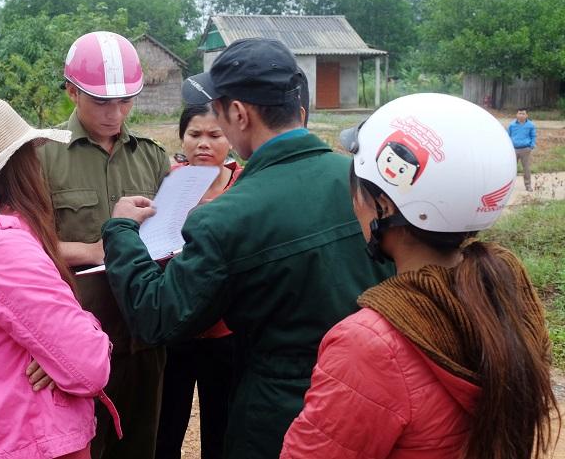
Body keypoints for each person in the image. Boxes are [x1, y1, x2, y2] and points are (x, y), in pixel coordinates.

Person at [101, 38, 391, 459]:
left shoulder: (227, 216)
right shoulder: (363, 179)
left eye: (218, 114)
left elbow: (157, 316)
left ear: (238, 113)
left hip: (278, 415)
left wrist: (122, 231)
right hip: (367, 400)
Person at [280, 94, 559, 459]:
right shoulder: (510, 298)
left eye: (359, 189)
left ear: (384, 206)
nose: (355, 202)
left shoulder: (368, 345)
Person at [0, 99, 117, 459]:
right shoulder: (3, 246)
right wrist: (70, 348)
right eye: (31, 154)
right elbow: (89, 365)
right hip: (40, 443)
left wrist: (58, 355)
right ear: (19, 166)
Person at [38, 30, 171, 459]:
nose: (115, 114)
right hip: (74, 342)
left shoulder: (152, 157)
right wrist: (93, 251)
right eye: (101, 102)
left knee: (140, 447)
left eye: (126, 101)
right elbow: (17, 247)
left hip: (142, 338)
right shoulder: (41, 156)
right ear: (72, 92)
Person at [155, 101, 242, 459]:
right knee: (165, 426)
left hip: (226, 331)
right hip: (175, 327)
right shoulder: (165, 183)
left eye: (214, 135)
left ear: (231, 139)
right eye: (194, 134)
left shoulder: (244, 186)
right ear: (182, 139)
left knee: (221, 430)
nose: (204, 143)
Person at [508, 107, 537, 191]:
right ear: (516, 115)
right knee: (511, 169)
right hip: (513, 150)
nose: (521, 115)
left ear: (526, 115)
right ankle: (509, 186)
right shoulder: (512, 125)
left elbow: (533, 136)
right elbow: (508, 136)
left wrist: (531, 146)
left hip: (525, 149)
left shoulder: (530, 125)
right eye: (519, 113)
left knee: (526, 168)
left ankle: (528, 185)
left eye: (523, 113)